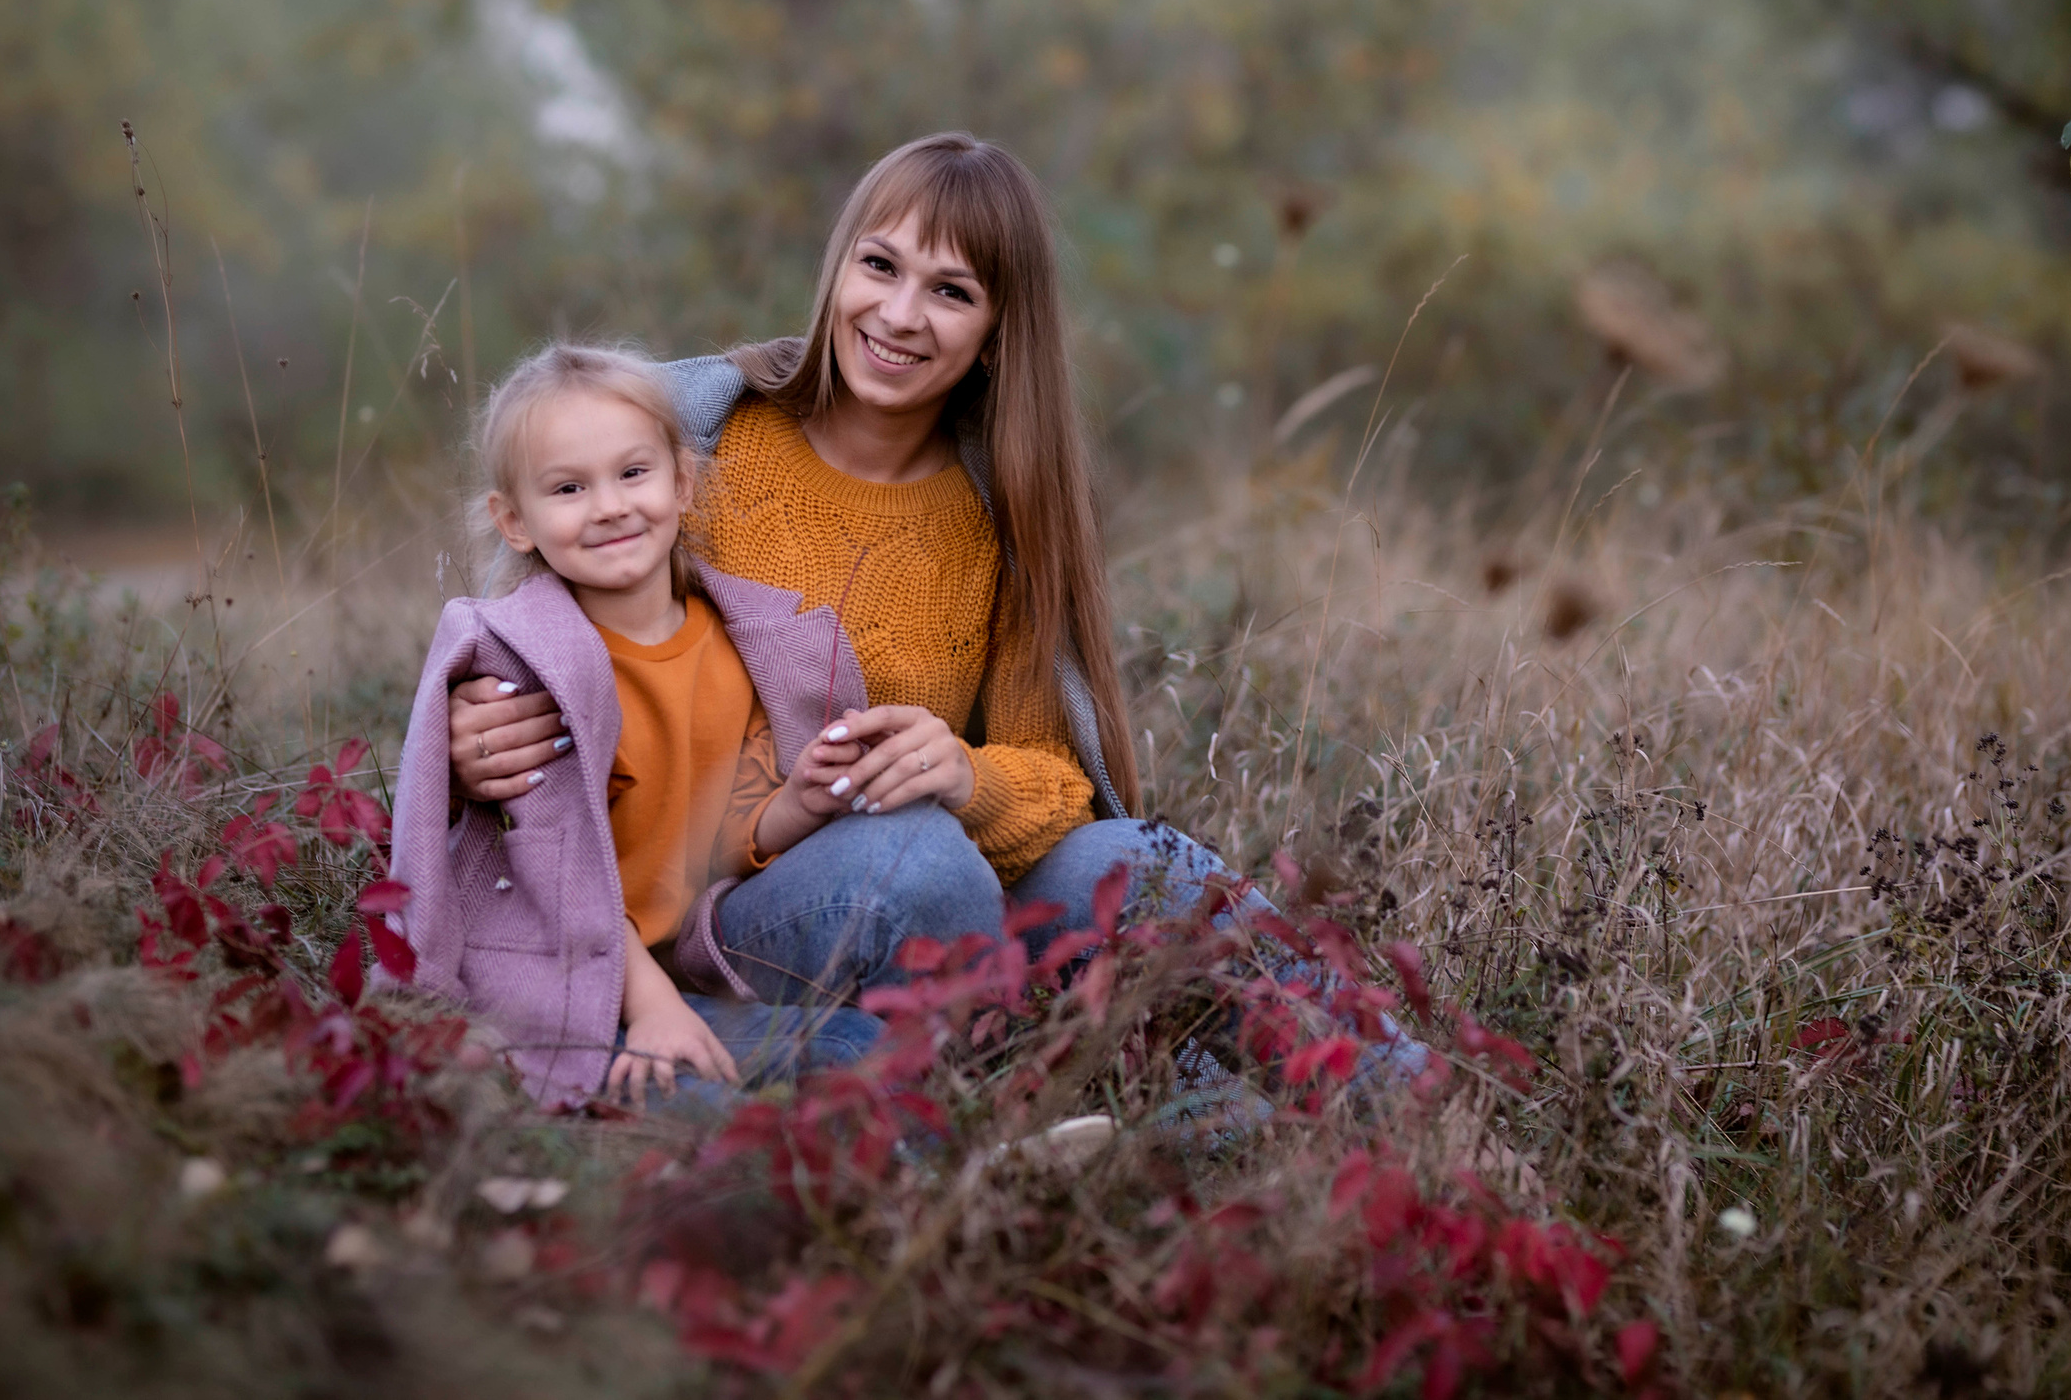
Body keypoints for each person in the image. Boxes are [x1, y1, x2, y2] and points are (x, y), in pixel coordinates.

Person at [437, 134, 1419, 1092]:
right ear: (838, 267)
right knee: (910, 855)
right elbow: (539, 622)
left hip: (932, 908)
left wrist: (963, 769)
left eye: (951, 291)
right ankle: (999, 1101)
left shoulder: (1001, 510)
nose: (900, 313)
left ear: (999, 330)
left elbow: (1060, 785)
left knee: (1137, 861)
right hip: (707, 914)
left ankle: (1406, 1105)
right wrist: (477, 726)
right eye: (880, 265)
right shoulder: (698, 439)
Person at [386, 343, 954, 1107]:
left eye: (633, 472)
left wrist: (801, 803)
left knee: (863, 1046)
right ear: (514, 520)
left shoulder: (740, 643)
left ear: (683, 482)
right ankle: (591, 1122)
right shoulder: (526, 665)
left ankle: (963, 1179)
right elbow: (554, 881)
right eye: (568, 487)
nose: (611, 505)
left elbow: (726, 835)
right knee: (702, 1105)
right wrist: (652, 1010)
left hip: (680, 968)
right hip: (559, 986)